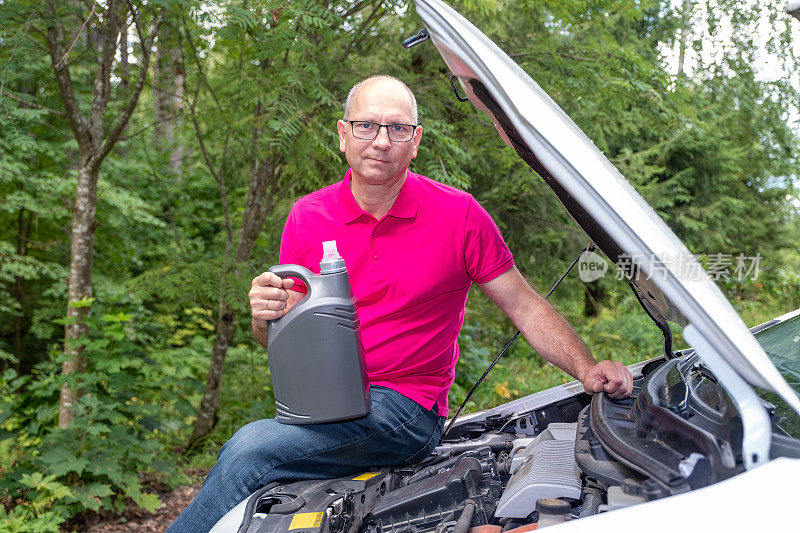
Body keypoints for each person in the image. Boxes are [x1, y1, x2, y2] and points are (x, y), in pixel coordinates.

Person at [169, 75, 633, 532]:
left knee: (252, 449)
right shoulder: (308, 216)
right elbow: (278, 334)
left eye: (397, 128)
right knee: (258, 462)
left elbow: (525, 306)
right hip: (324, 404)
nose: (381, 141)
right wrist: (263, 315)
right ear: (343, 134)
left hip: (406, 410)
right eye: (367, 125)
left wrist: (585, 368)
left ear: (416, 141)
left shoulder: (459, 214)